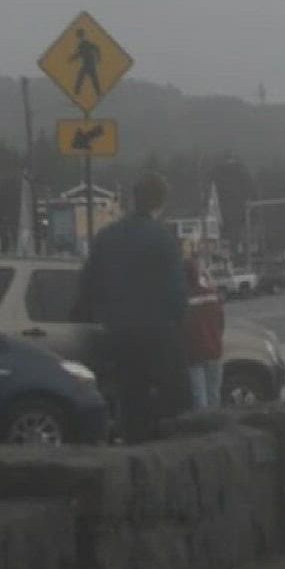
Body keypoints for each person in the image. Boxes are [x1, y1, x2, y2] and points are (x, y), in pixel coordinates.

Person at [74, 174, 190, 441]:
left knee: (130, 397)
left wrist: (100, 316)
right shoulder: (163, 239)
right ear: (160, 203)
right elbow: (176, 293)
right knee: (175, 401)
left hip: (119, 333)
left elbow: (88, 285)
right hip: (158, 332)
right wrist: (177, 322)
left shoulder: (106, 238)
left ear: (132, 200)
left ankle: (134, 448)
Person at [182, 255, 226, 410]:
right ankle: (216, 430)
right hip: (214, 350)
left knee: (199, 399)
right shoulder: (212, 294)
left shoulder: (182, 298)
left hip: (194, 354)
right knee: (214, 396)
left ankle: (205, 431)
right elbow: (221, 323)